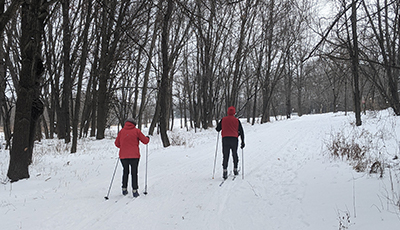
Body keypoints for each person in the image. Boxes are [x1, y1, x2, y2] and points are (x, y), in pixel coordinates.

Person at [115, 118, 150, 197]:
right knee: (134, 173)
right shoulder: (136, 131)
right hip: (134, 156)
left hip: (123, 156)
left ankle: (124, 188)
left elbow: (117, 144)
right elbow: (145, 141)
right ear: (134, 123)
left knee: (125, 171)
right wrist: (148, 138)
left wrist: (124, 146)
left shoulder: (121, 132)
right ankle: (135, 190)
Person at [215, 106, 245, 179]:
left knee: (225, 155)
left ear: (228, 112)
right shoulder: (237, 121)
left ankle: (225, 171)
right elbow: (241, 131)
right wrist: (242, 142)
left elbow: (217, 129)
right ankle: (235, 169)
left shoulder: (223, 119)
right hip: (234, 139)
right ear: (234, 112)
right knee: (234, 154)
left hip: (225, 139)